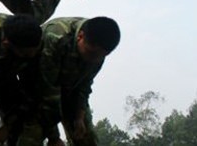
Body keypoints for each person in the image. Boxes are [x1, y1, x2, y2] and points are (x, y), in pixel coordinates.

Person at [17, 16, 121, 146]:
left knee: (85, 137)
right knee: (31, 136)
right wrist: (54, 137)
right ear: (80, 36)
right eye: (90, 54)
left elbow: (84, 85)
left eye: (100, 56)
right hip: (36, 90)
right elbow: (46, 90)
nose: (93, 60)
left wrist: (79, 117)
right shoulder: (56, 37)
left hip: (69, 91)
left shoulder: (98, 51)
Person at [0, 13, 65, 146]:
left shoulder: (39, 44)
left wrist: (9, 127)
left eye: (33, 52)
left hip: (8, 79)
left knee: (26, 120)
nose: (30, 56)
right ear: (6, 43)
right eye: (25, 54)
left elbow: (37, 91)